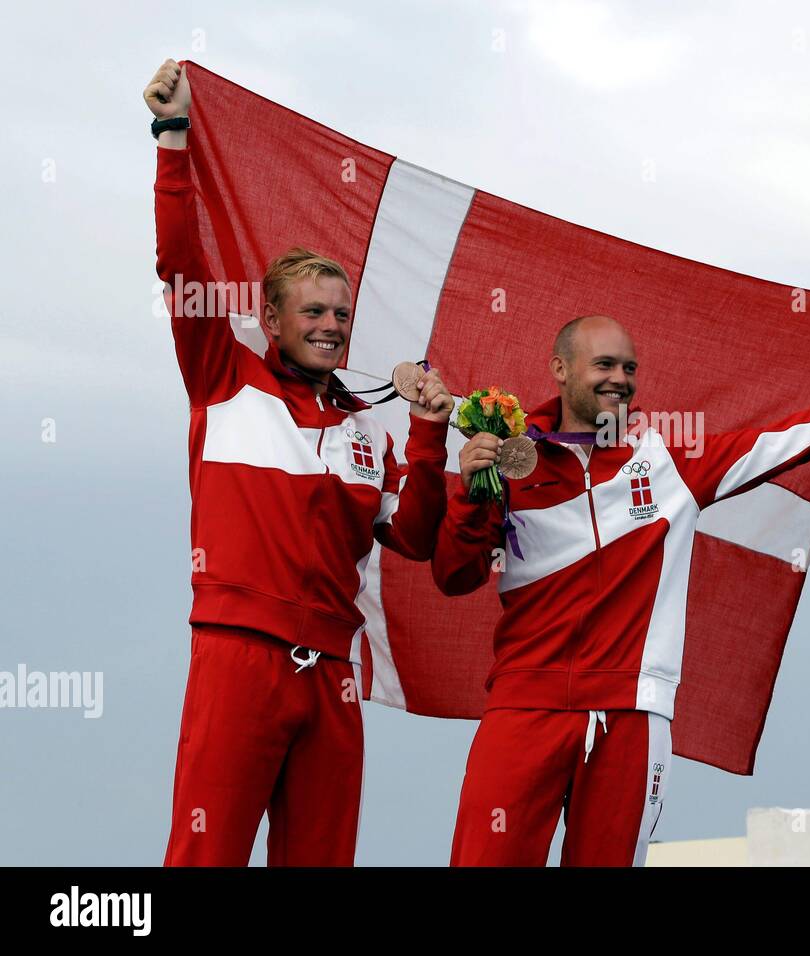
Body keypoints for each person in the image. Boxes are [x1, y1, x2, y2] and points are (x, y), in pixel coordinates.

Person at [435, 312, 810, 865]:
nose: (619, 379)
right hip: (525, 706)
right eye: (604, 364)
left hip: (633, 715)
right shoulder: (509, 462)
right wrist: (469, 495)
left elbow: (779, 443)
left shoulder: (668, 462)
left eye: (629, 367)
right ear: (560, 368)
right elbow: (454, 576)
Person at [144, 59, 455, 866]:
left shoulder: (367, 432)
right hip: (237, 653)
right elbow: (181, 266)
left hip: (332, 678)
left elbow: (419, 540)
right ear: (270, 318)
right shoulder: (222, 377)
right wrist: (172, 138)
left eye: (342, 315)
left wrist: (427, 433)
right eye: (312, 311)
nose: (330, 326)